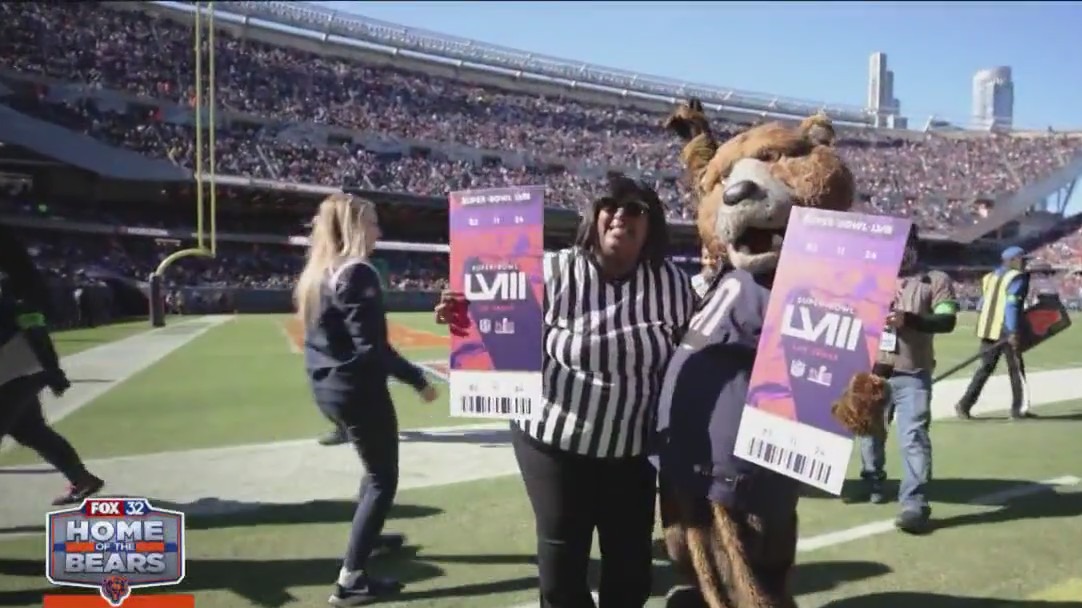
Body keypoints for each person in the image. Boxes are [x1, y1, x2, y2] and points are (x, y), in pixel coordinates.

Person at [437, 175, 696, 608]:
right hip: (553, 443)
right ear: (594, 215)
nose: (619, 216)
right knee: (561, 571)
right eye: (609, 205)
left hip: (630, 452)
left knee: (630, 572)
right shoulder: (552, 271)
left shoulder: (673, 286)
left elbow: (698, 353)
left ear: (651, 225)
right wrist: (463, 310)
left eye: (634, 209)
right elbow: (498, 324)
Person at [293, 193, 439, 606]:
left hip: (327, 388)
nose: (380, 230)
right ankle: (350, 579)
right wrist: (418, 380)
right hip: (357, 391)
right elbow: (374, 349)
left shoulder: (319, 271)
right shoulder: (357, 272)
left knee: (372, 469)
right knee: (382, 479)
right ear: (356, 227)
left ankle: (367, 539)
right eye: (373, 222)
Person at [854, 225, 958, 534]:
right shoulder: (869, 279)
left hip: (913, 374)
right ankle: (873, 478)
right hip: (873, 373)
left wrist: (910, 319)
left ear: (915, 246)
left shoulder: (935, 281)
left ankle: (914, 502)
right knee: (870, 434)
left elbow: (947, 319)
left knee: (913, 436)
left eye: (904, 246)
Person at [0, 225, 105, 505]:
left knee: (31, 429)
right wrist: (51, 368)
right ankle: (81, 479)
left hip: (12, 367)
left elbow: (29, 321)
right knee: (31, 430)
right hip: (25, 365)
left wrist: (52, 368)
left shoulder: (12, 289)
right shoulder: (20, 282)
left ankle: (81, 478)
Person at [954, 245, 1033, 421]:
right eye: (1023, 259)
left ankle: (964, 404)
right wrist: (1012, 331)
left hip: (987, 329)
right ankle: (1018, 409)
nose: (1025, 263)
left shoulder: (989, 277)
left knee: (985, 368)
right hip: (1005, 330)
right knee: (1016, 369)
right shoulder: (1017, 278)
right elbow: (1011, 305)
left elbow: (981, 304)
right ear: (1012, 260)